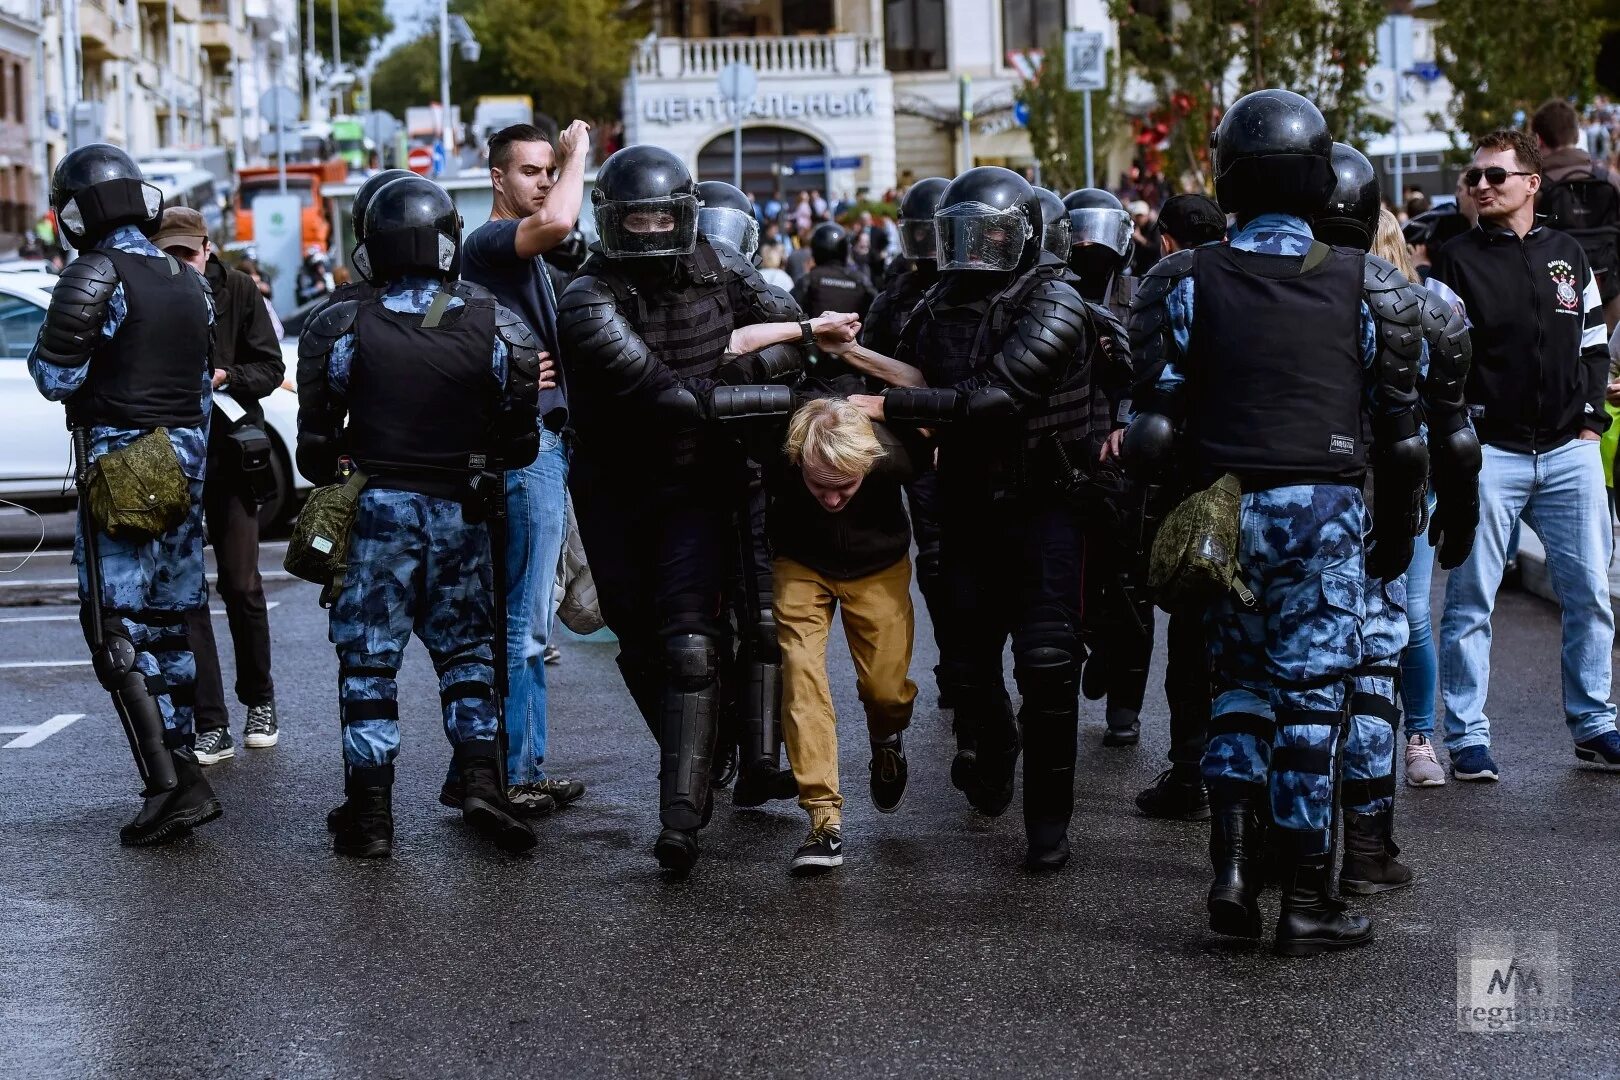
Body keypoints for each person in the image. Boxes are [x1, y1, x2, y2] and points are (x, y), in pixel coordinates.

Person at [1124, 90, 1429, 954]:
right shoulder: (1368, 283)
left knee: (1240, 689)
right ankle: (1304, 898)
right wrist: (1399, 532)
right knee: (1313, 705)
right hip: (1326, 514)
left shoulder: (1178, 279)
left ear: (1228, 176)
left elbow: (1151, 430)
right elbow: (1402, 442)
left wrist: (1138, 538)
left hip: (1226, 515)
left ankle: (1228, 872)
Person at [556, 146, 855, 874]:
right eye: (640, 217)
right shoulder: (588, 295)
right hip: (617, 490)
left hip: (698, 483)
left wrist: (741, 364)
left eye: (665, 214)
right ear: (614, 220)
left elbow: (795, 340)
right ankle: (703, 757)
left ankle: (681, 819)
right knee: (640, 641)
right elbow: (663, 395)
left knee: (693, 644)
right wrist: (739, 371)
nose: (655, 229)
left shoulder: (722, 262)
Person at [837, 166, 1096, 871]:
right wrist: (850, 355)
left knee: (1046, 668)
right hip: (967, 507)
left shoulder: (1057, 301)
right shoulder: (935, 305)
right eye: (964, 232)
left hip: (1047, 508)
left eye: (991, 233)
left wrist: (887, 408)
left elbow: (994, 399)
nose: (975, 247)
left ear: (1025, 235)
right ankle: (994, 748)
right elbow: (922, 380)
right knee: (968, 665)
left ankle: (1048, 829)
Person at [299, 174, 553, 858]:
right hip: (463, 509)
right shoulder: (496, 320)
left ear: (371, 243)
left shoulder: (340, 321)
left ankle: (372, 812)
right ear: (448, 239)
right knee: (469, 653)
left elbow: (315, 449)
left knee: (368, 663)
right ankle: (480, 782)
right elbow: (520, 441)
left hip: (378, 507)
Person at [27, 144, 219, 846]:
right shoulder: (185, 276)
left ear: (80, 210)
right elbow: (199, 383)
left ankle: (169, 786)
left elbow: (55, 377)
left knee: (115, 631)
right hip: (186, 465)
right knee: (171, 624)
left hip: (122, 469)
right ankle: (189, 769)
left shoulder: (96, 273)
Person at [1430, 128, 1620, 781]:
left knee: (1591, 592)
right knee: (1470, 600)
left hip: (1571, 451)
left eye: (1496, 176)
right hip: (1492, 455)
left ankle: (1595, 724)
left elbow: (1595, 342)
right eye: (1476, 177)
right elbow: (1440, 358)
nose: (1482, 186)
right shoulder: (1453, 258)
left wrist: (1592, 426)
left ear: (1532, 183)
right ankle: (1467, 735)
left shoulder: (1568, 254)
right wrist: (1459, 438)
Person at [1311, 143, 1473, 893]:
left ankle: (1281, 854)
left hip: (1322, 492)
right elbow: (1444, 428)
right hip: (1387, 493)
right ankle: (1379, 825)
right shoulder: (1426, 307)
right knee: (1395, 631)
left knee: (1300, 666)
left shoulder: (1297, 293)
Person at [453, 120, 590, 817]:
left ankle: (515, 765)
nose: (544, 181)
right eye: (531, 171)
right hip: (526, 450)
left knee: (525, 620)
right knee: (522, 624)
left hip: (541, 446)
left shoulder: (519, 256)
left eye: (549, 169)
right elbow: (563, 219)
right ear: (498, 179)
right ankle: (511, 774)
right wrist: (579, 156)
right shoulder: (491, 242)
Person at [768, 397, 925, 875]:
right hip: (801, 561)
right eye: (821, 487)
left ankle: (886, 736)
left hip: (878, 564)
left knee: (886, 691)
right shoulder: (781, 452)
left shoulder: (894, 453)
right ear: (801, 462)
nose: (834, 500)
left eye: (846, 487)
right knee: (800, 673)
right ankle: (823, 819)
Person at [153, 208, 287, 767]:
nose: (180, 263)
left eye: (188, 252)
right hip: (170, 460)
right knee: (185, 596)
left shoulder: (237, 290)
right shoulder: (146, 293)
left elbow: (271, 366)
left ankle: (259, 701)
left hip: (231, 453)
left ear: (207, 248)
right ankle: (211, 723)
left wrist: (225, 374)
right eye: (169, 254)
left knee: (241, 584)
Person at [1123, 191, 1227, 822]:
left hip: (1200, 480)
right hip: (1289, 479)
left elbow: (1154, 403)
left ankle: (1193, 771)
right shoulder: (1305, 275)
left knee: (1193, 630)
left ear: (1166, 240)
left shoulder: (1173, 281)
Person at [859, 178, 953, 710]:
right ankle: (953, 660)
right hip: (917, 449)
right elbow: (872, 378)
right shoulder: (893, 298)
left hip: (971, 440)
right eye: (921, 234)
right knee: (935, 561)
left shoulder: (984, 288)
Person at [1531, 99, 1620, 331]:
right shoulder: (1610, 180)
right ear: (1575, 134)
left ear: (1538, 139)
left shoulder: (1534, 189)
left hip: (1555, 316)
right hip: (1611, 306)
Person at [793, 222, 874, 323]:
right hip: (852, 337)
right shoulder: (860, 281)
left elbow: (791, 312)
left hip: (815, 337)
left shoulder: (809, 280)